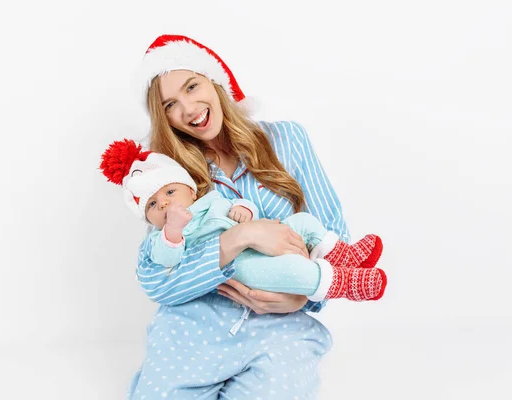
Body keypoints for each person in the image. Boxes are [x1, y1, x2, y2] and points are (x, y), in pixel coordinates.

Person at [114, 34, 387, 399]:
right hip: (193, 329)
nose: (189, 108)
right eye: (170, 105)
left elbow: (333, 234)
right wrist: (239, 237)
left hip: (281, 328)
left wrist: (302, 298)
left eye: (192, 86)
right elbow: (157, 278)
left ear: (215, 81)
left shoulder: (287, 140)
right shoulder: (165, 176)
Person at [100, 138, 387, 305]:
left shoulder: (211, 201)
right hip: (241, 266)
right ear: (147, 217)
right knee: (293, 269)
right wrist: (173, 231)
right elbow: (166, 257)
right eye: (152, 205)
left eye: (170, 191)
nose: (162, 203)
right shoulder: (158, 238)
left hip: (261, 239)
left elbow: (237, 207)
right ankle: (341, 282)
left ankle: (340, 254)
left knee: (304, 220)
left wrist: (244, 211)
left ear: (190, 190)